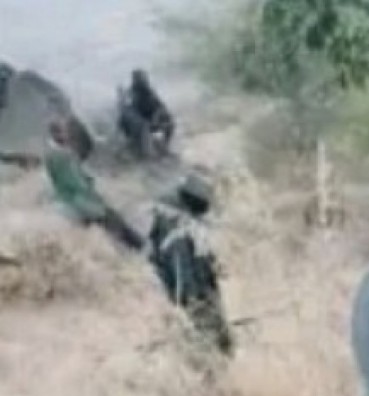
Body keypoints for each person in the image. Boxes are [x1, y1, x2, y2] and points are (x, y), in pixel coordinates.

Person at [146, 173, 234, 357]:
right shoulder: (180, 233)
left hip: (193, 298)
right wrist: (198, 311)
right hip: (196, 301)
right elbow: (185, 279)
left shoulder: (170, 223)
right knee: (216, 350)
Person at [42, 119, 144, 251]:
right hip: (79, 201)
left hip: (65, 200)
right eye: (63, 132)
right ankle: (140, 248)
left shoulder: (49, 155)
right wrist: (94, 195)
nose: (66, 135)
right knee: (114, 220)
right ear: (56, 134)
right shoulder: (63, 154)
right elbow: (77, 183)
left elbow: (60, 179)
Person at [118, 68, 174, 159]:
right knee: (143, 125)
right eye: (139, 78)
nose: (142, 81)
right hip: (134, 124)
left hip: (149, 118)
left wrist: (156, 118)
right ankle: (146, 152)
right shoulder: (131, 94)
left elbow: (161, 107)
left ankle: (165, 146)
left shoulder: (150, 92)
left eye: (143, 78)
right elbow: (126, 111)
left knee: (169, 122)